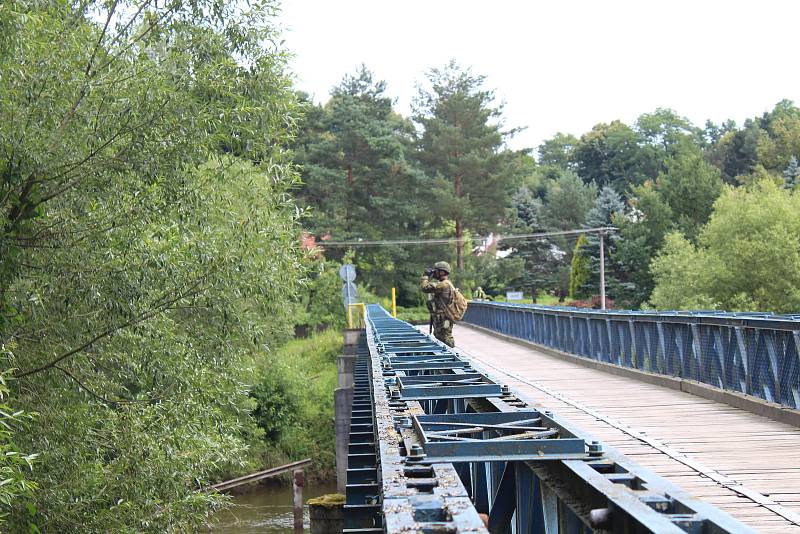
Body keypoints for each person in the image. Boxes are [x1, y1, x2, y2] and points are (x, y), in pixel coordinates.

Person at [420, 261, 456, 347]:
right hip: (443, 317)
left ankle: (452, 355)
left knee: (445, 338)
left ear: (442, 272)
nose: (434, 272)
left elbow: (425, 288)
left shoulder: (443, 285)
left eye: (436, 271)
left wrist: (425, 276)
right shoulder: (447, 283)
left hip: (443, 318)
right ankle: (449, 356)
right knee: (440, 337)